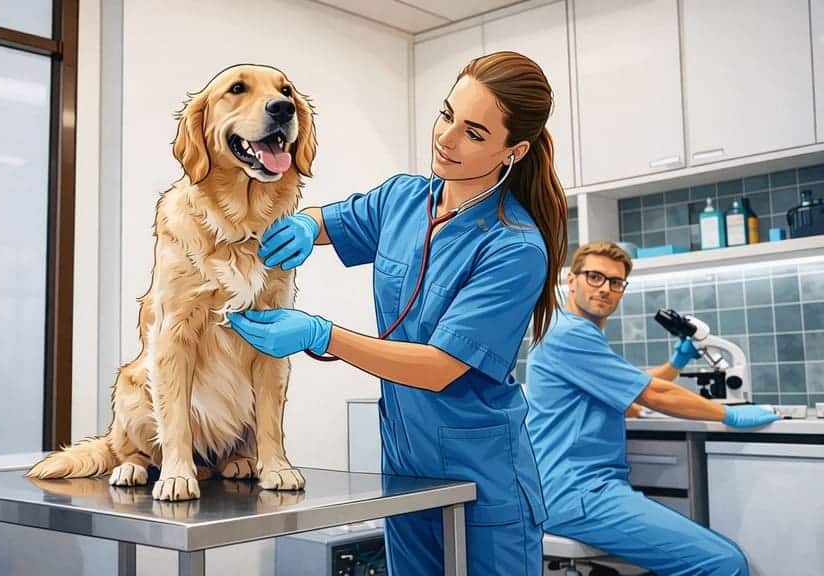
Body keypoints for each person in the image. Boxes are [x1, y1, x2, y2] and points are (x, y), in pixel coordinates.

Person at [226, 51, 568, 575]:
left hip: (485, 481)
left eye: (474, 134)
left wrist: (323, 335)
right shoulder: (404, 199)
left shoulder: (514, 246)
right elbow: (325, 221)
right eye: (447, 113)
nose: (447, 138)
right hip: (407, 470)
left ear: (513, 151)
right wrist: (299, 226)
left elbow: (439, 366)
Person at [524, 241, 779, 576]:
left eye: (615, 283)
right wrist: (729, 414)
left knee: (723, 554)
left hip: (578, 488)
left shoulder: (568, 331)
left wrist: (675, 363)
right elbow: (653, 393)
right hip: (576, 492)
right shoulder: (568, 334)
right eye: (595, 277)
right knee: (724, 563)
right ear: (572, 280)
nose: (605, 289)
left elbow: (633, 380)